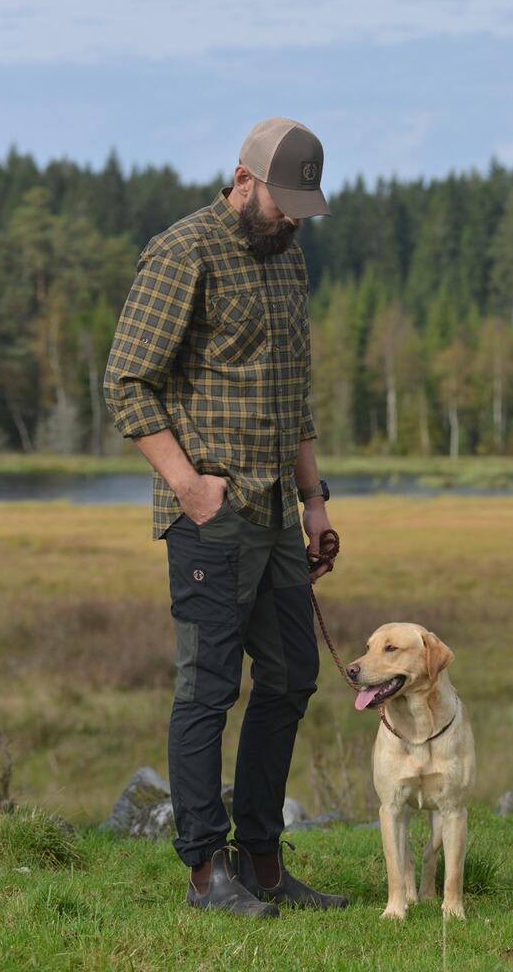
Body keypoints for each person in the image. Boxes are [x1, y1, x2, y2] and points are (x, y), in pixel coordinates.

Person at [103, 117, 347, 918]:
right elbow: (127, 382)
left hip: (277, 512)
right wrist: (188, 485)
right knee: (209, 689)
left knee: (293, 676)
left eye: (303, 209)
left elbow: (294, 394)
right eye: (283, 204)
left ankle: (263, 864)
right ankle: (207, 873)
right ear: (244, 180)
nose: (292, 220)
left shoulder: (289, 256)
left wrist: (314, 502)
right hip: (210, 515)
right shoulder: (183, 252)